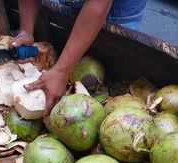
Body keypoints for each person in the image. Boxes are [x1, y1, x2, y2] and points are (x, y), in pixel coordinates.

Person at [10, 0, 147, 117]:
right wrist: (26, 29)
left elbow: (97, 5)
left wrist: (61, 71)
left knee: (111, 47)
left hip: (118, 7)